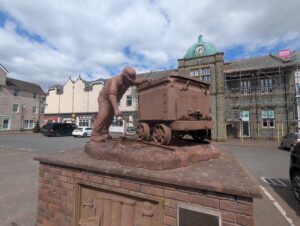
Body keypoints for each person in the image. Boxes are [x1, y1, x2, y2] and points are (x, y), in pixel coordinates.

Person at [91, 66, 147, 142]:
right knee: (103, 114)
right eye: (129, 79)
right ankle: (95, 135)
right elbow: (112, 94)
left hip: (113, 100)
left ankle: (104, 133)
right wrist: (116, 109)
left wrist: (144, 81)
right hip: (105, 99)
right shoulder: (115, 80)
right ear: (124, 76)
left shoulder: (128, 80)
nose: (130, 81)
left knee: (110, 117)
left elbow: (136, 82)